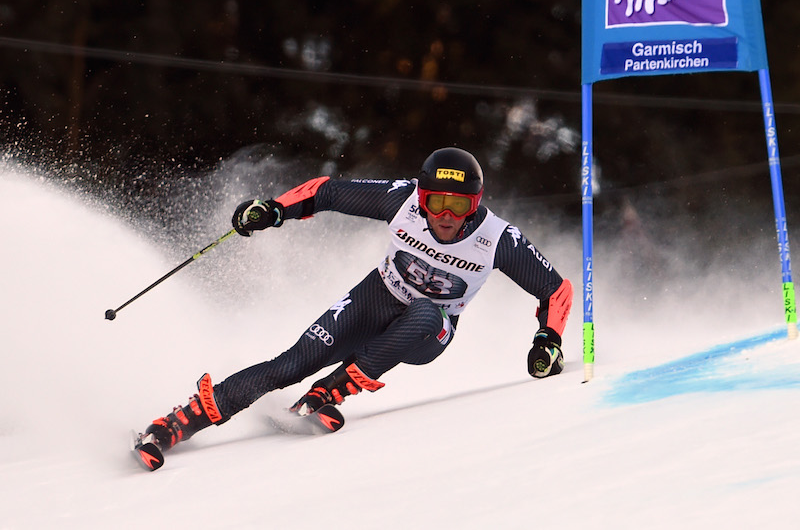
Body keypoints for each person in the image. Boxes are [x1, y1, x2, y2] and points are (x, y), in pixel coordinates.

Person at [142, 147, 573, 451]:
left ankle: (330, 391)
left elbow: (556, 290)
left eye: (458, 206)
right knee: (290, 364)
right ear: (421, 196)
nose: (445, 215)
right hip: (377, 296)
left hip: (431, 330)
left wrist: (548, 340)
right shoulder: (401, 200)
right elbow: (326, 191)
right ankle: (182, 420)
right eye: (436, 202)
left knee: (425, 311)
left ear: (475, 204)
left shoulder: (498, 238)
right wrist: (275, 210)